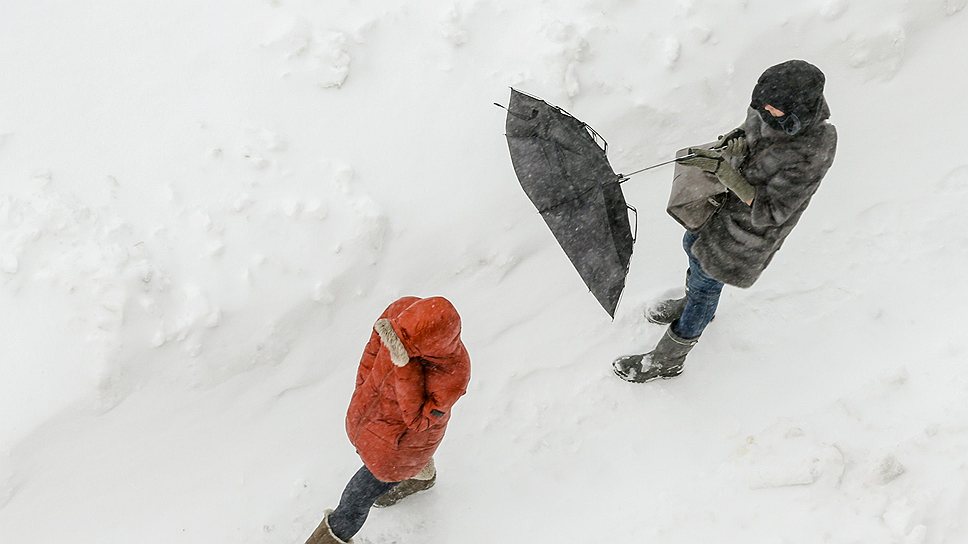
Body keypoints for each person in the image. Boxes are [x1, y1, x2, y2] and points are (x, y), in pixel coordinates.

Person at [613, 59, 838, 383]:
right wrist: (735, 144)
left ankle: (668, 359)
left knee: (707, 280)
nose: (763, 115)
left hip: (745, 234)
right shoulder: (767, 108)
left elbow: (771, 212)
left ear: (798, 111)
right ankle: (694, 303)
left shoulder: (812, 149)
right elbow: (750, 134)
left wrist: (728, 174)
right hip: (720, 213)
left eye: (773, 111)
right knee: (692, 247)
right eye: (761, 107)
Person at [305, 296, 471, 544]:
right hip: (370, 419)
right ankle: (420, 474)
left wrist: (405, 366)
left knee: (354, 501)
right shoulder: (400, 313)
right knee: (381, 466)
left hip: (398, 449)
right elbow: (372, 351)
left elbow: (418, 421)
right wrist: (363, 388)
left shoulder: (453, 375)